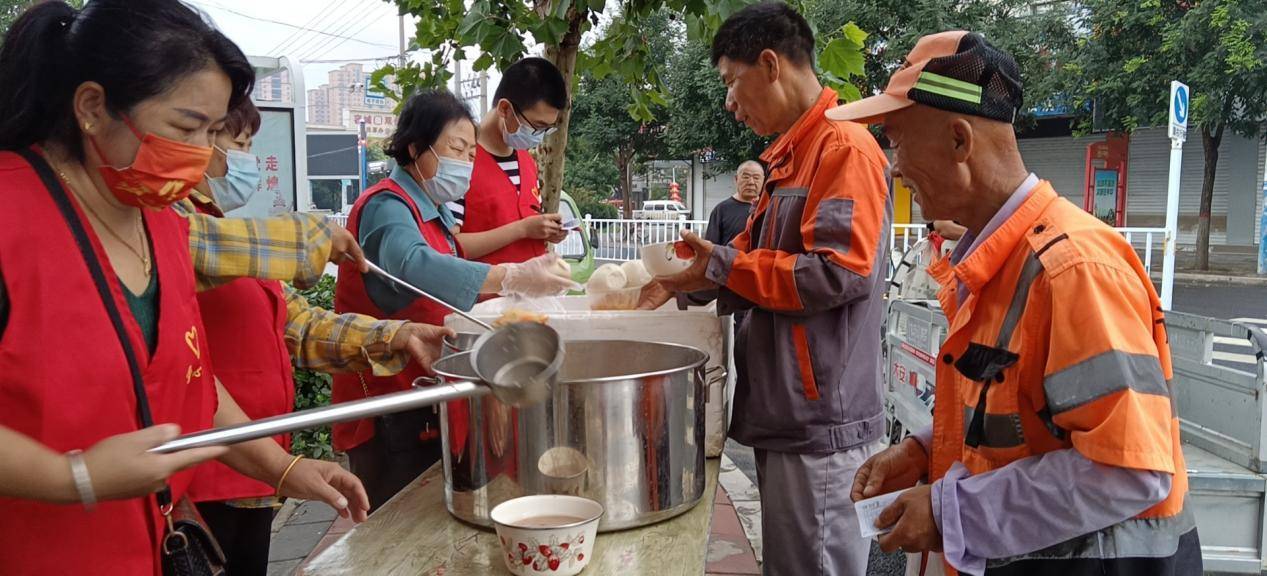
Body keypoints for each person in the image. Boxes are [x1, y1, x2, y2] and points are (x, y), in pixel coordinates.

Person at [0, 2, 369, 574]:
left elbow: (189, 379)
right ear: (93, 108)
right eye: (185, 127)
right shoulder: (10, 217)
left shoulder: (162, 221)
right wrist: (74, 477)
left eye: (213, 131)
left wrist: (282, 468)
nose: (203, 156)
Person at [833, 31, 1200, 575]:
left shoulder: (1073, 270)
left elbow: (1131, 471)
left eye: (897, 140)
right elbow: (1017, 417)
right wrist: (924, 450)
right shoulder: (998, 265)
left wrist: (947, 511)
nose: (892, 166)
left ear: (960, 141)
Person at [638, 4, 893, 574]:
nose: (730, 101)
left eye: (732, 82)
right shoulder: (790, 157)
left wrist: (726, 266)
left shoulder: (843, 150)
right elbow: (757, 266)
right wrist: (687, 282)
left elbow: (838, 274)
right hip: (786, 406)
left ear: (771, 64)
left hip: (820, 418)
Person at [177, 99, 451, 575]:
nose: (241, 159)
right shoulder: (168, 225)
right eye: (235, 143)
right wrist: (312, 235)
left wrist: (399, 336)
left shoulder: (218, 223)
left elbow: (298, 326)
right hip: (204, 474)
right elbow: (201, 248)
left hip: (254, 467)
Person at [334, 89, 577, 510]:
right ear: (415, 147)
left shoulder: (433, 211)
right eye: (456, 149)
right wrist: (510, 276)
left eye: (469, 154)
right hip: (388, 399)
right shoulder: (387, 206)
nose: (464, 163)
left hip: (426, 389)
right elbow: (414, 266)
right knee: (399, 523)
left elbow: (455, 259)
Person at [448, 57, 570, 263]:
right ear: (505, 109)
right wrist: (522, 230)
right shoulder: (460, 162)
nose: (539, 135)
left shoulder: (526, 161)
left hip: (532, 291)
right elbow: (449, 247)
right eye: (537, 126)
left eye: (547, 129)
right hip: (485, 294)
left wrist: (546, 231)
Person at [707, 160, 764, 247]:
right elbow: (711, 248)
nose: (751, 182)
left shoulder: (768, 209)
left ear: (763, 180)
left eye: (756, 178)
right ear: (736, 179)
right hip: (730, 260)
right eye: (746, 177)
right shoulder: (721, 210)